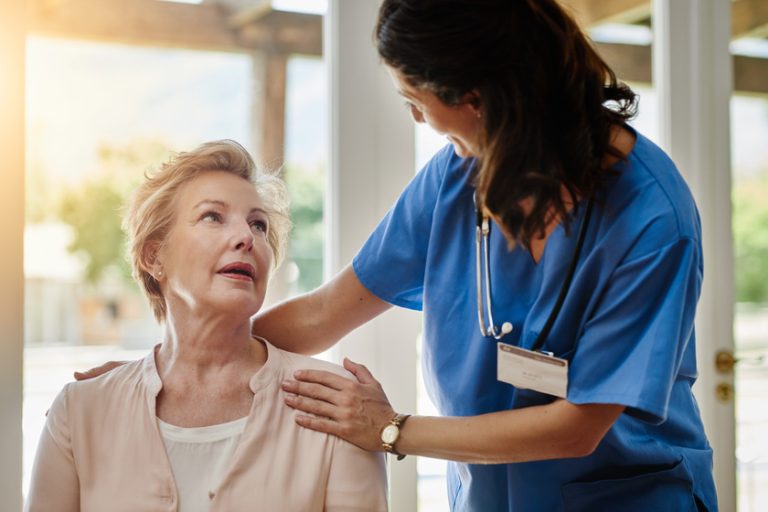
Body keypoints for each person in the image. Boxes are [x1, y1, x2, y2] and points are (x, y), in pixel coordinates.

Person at [77, 1, 717, 510]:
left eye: (416, 99)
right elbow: (327, 311)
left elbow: (577, 427)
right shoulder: (454, 179)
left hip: (625, 496)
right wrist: (167, 371)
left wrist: (389, 430)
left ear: (479, 98)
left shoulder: (651, 219)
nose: (414, 118)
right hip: (491, 495)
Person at [26, 140, 387, 512]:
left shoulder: (339, 406)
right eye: (213, 216)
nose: (247, 237)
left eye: (258, 225)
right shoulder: (79, 410)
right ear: (154, 256)